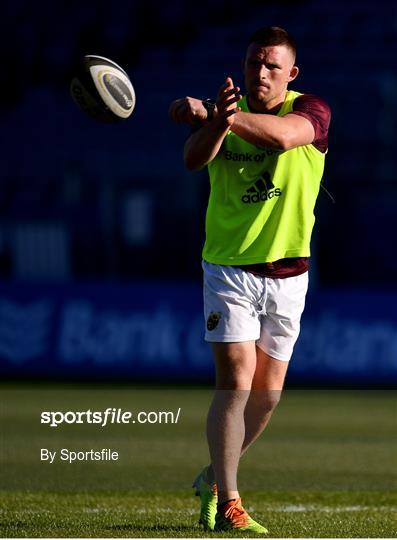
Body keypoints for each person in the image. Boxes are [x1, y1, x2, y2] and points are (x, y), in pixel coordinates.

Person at [169, 26, 331, 534]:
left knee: (268, 394)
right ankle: (230, 501)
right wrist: (212, 123)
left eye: (272, 66)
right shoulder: (226, 116)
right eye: (253, 64)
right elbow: (193, 160)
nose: (260, 73)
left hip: (289, 271)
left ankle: (213, 476)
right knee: (236, 381)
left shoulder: (313, 112)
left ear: (292, 74)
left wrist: (221, 115)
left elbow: (283, 139)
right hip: (229, 269)